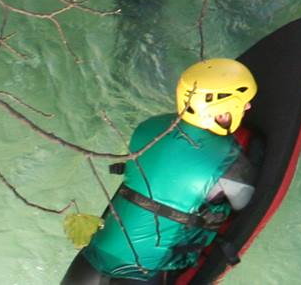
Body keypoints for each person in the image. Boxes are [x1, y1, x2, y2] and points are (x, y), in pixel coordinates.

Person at [67, 59, 260, 283]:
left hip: (92, 258)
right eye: (244, 102)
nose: (248, 107)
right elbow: (244, 203)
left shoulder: (149, 126)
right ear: (221, 109)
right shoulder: (229, 160)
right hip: (145, 273)